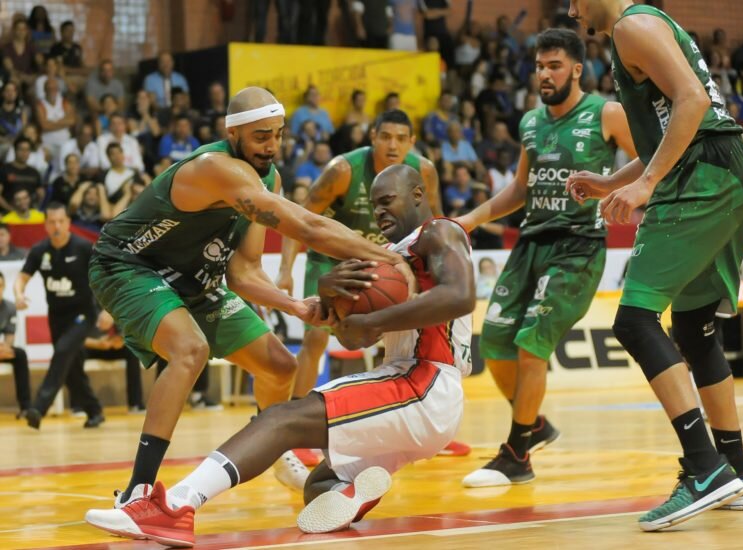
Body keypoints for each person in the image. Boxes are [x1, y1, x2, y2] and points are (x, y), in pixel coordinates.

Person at [85, 163, 475, 545]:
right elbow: (355, 339)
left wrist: (373, 318)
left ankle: (175, 506)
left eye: (387, 201)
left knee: (279, 418)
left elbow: (460, 296)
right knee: (319, 486)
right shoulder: (387, 255)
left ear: (418, 194)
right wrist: (330, 298)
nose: (379, 212)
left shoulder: (438, 231)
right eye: (374, 205)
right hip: (412, 390)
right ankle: (355, 491)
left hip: (425, 383)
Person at [85, 87, 416, 510]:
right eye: (261, 136)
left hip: (195, 279)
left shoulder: (269, 178)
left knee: (280, 367)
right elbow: (309, 227)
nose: (272, 145)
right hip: (128, 264)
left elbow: (243, 272)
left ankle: (275, 451)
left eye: (278, 134)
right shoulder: (213, 168)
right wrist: (388, 257)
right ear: (233, 133)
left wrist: (295, 306)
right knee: (190, 350)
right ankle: (138, 492)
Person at [566, 0, 743, 531]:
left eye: (573, 0)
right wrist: (613, 182)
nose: (571, 11)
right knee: (694, 331)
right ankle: (738, 471)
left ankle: (704, 468)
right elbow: (673, 127)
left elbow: (693, 101)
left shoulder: (631, 26)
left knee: (635, 320)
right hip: (729, 170)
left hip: (703, 177)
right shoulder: (642, 26)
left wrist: (646, 185)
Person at [455, 28, 636, 488]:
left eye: (554, 66)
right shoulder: (531, 122)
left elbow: (652, 163)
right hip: (530, 242)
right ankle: (533, 426)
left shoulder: (607, 113)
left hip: (578, 246)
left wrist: (616, 187)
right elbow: (521, 187)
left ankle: (517, 454)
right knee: (494, 342)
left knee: (530, 344)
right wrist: (470, 219)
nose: (545, 74)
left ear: (577, 69)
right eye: (539, 66)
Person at [277, 108, 441, 420]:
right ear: (372, 137)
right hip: (332, 259)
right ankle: (294, 415)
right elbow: (299, 219)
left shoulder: (423, 171)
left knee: (401, 336)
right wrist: (286, 270)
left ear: (412, 141)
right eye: (386, 137)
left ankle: (397, 411)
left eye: (401, 139)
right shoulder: (343, 170)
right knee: (316, 336)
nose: (393, 145)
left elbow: (433, 222)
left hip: (385, 261)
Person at [15, 203, 104, 429]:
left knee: (63, 351)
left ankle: (38, 408)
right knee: (71, 366)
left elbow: (103, 277)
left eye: (61, 221)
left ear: (68, 223)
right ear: (45, 225)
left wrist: (107, 310)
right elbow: (22, 277)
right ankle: (94, 410)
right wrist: (19, 294)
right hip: (56, 316)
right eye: (52, 222)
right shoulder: (40, 251)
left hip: (83, 314)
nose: (57, 226)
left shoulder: (83, 247)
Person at [85, 310, 145, 413]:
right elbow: (75, 337)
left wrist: (121, 340)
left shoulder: (118, 305)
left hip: (112, 345)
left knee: (132, 351)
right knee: (74, 352)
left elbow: (131, 329)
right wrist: (96, 343)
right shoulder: (87, 306)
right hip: (91, 345)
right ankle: (78, 406)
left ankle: (135, 404)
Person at [0, 271, 31, 416]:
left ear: (4, 287)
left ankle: (26, 407)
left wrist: (5, 348)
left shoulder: (10, 307)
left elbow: (9, 337)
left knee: (19, 354)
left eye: (0, 286)